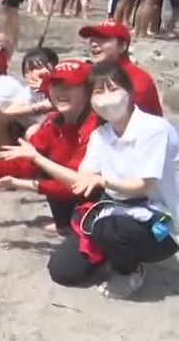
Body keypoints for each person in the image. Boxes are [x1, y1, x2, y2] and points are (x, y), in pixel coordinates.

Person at [18, 62, 179, 297]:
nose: (106, 98)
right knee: (62, 271)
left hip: (162, 224)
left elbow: (143, 186)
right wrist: (37, 159)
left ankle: (131, 270)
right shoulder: (100, 136)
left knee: (110, 229)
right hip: (114, 212)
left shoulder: (154, 129)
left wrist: (104, 182)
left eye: (113, 89)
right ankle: (114, 256)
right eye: (98, 91)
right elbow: (81, 178)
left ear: (129, 91)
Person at [0, 59, 96, 234]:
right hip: (70, 193)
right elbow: (24, 165)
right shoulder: (53, 123)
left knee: (49, 168)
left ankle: (76, 226)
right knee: (46, 166)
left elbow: (78, 185)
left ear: (88, 91)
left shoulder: (95, 128)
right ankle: (66, 225)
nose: (61, 92)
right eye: (56, 85)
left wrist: (28, 182)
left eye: (70, 86)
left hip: (99, 203)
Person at [79, 20, 162, 115]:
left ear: (123, 46)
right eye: (92, 39)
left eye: (103, 39)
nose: (93, 44)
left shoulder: (135, 81)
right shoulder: (96, 71)